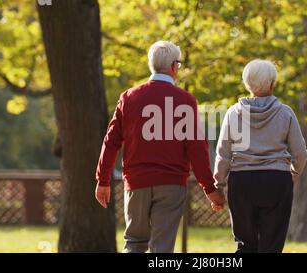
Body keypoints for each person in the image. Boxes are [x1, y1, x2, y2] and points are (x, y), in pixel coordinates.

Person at [95, 40, 225, 253]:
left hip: (137, 182)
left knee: (135, 243)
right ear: (174, 67)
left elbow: (111, 140)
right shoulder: (185, 100)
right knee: (162, 249)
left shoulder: (129, 97)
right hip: (171, 183)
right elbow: (196, 148)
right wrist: (209, 188)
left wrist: (103, 179)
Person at [213, 59, 307, 253]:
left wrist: (219, 186)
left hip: (242, 181)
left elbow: (223, 154)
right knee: (271, 245)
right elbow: (300, 153)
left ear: (247, 84)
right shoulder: (285, 113)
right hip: (276, 180)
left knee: (245, 245)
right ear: (273, 83)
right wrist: (292, 177)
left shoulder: (233, 113)